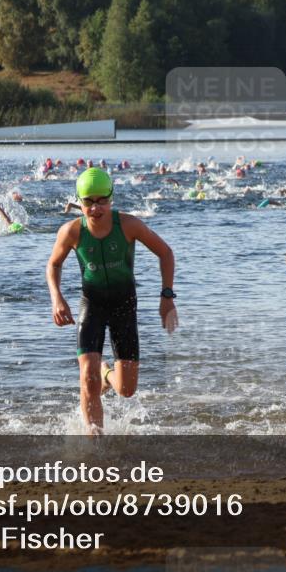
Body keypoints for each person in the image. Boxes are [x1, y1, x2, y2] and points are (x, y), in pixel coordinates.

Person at [46, 167, 178, 434]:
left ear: (111, 198)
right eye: (88, 202)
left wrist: (166, 296)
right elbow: (54, 265)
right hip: (92, 305)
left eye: (102, 201)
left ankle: (106, 373)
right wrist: (57, 298)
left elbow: (165, 253)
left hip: (123, 306)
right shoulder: (72, 231)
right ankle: (95, 440)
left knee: (126, 390)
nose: (96, 208)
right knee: (87, 377)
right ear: (79, 202)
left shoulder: (128, 225)